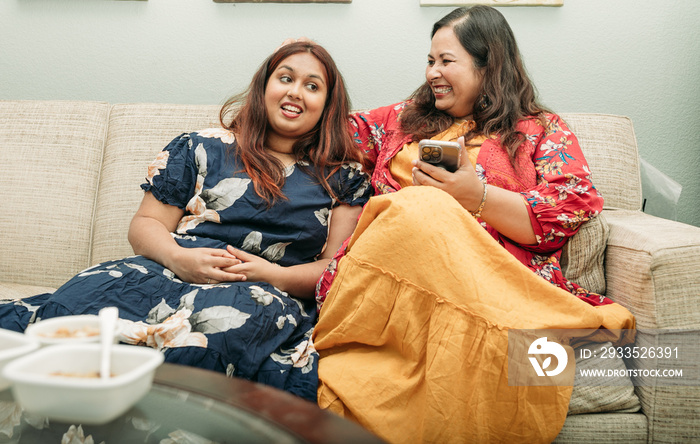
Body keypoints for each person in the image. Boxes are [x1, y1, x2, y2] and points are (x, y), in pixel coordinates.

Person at [310, 6, 636, 443]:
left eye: (447, 61)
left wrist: (475, 197)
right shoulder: (400, 121)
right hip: (387, 275)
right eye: (430, 61)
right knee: (415, 207)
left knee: (427, 207)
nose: (432, 73)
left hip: (481, 279)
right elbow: (328, 131)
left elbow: (569, 206)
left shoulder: (539, 130)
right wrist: (297, 79)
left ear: (489, 65)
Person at [0, 41, 372, 402]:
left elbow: (332, 269)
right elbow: (146, 223)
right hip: (166, 269)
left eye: (312, 86)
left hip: (258, 291)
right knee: (75, 303)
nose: (295, 93)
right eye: (285, 78)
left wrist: (269, 274)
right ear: (263, 88)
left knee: (209, 339)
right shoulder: (201, 145)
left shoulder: (344, 177)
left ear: (328, 105)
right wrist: (179, 258)